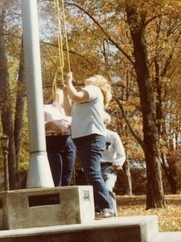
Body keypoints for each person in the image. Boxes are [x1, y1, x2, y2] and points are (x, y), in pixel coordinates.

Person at [66, 72, 114, 219]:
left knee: (92, 172)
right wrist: (66, 91)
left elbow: (76, 97)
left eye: (93, 76)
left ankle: (107, 207)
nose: (89, 77)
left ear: (98, 82)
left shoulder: (93, 89)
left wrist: (69, 82)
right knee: (90, 173)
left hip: (91, 137)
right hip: (84, 138)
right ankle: (100, 207)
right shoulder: (86, 94)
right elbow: (68, 110)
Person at [44, 88, 76, 186]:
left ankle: (66, 197)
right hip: (52, 139)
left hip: (68, 139)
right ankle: (55, 196)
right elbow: (37, 126)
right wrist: (50, 124)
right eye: (56, 93)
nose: (58, 95)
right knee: (55, 173)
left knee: (68, 172)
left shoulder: (72, 109)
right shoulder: (45, 107)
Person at [101, 113, 126, 216]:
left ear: (106, 121)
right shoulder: (91, 137)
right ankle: (100, 212)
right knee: (96, 191)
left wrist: (115, 165)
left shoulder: (112, 135)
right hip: (95, 167)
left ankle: (112, 212)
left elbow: (121, 154)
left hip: (108, 167)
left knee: (107, 188)